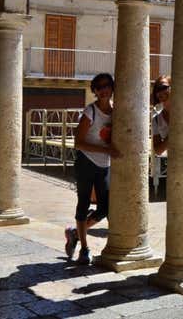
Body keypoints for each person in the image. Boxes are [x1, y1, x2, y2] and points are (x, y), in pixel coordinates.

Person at [64, 73, 122, 264]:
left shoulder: (116, 111)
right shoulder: (91, 111)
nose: (104, 89)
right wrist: (106, 149)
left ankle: (74, 233)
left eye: (107, 85)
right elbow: (78, 142)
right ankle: (84, 249)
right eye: (99, 87)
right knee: (83, 204)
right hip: (86, 161)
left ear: (112, 88)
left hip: (104, 163)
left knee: (105, 208)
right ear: (95, 91)